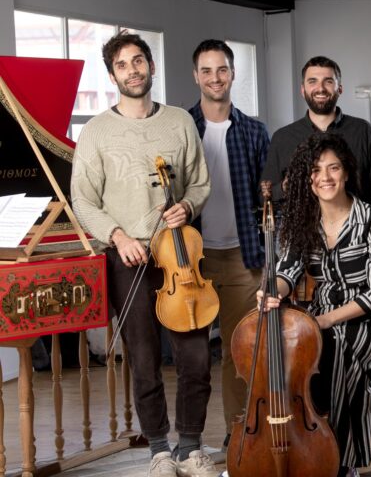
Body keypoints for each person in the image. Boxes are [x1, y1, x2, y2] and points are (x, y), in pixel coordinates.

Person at [71, 31, 217, 477]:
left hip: (179, 255)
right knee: (144, 358)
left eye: (138, 61)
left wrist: (187, 206)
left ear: (151, 66)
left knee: (195, 357)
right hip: (129, 258)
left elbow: (199, 182)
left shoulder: (180, 121)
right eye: (122, 64)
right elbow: (83, 200)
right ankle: (158, 450)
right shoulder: (96, 132)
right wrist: (117, 235)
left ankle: (190, 447)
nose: (132, 70)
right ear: (112, 75)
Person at [259, 134, 371, 477]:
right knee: (294, 353)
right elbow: (287, 270)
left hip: (368, 322)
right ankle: (306, 451)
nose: (325, 177)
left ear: (346, 172)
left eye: (333, 168)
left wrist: (324, 321)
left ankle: (342, 462)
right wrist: (271, 290)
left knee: (334, 350)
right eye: (317, 170)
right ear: (308, 178)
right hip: (320, 317)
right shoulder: (304, 221)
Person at [188, 39, 270, 450]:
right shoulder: (182, 127)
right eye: (207, 70)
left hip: (243, 256)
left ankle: (238, 432)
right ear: (196, 76)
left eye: (222, 69)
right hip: (191, 260)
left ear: (233, 74)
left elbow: (267, 199)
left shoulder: (254, 131)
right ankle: (189, 441)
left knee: (240, 352)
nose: (215, 78)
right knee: (193, 356)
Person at [262, 55, 371, 211]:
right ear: (302, 90)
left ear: (339, 89)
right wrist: (284, 187)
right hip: (301, 226)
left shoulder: (362, 131)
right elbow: (264, 195)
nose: (320, 88)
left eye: (328, 81)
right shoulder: (283, 137)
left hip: (357, 225)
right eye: (312, 81)